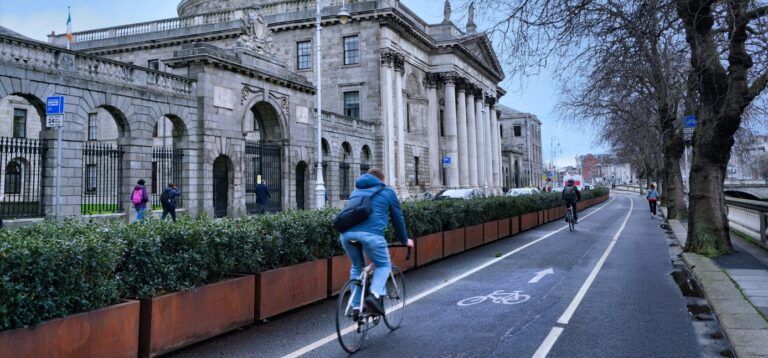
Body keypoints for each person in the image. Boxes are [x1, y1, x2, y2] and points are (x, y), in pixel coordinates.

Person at [340, 168, 414, 317]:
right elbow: (397, 219)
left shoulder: (356, 191)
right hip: (371, 236)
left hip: (346, 234)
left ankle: (356, 306)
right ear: (381, 180)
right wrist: (405, 240)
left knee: (356, 267)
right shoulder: (387, 192)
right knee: (383, 265)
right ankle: (373, 296)